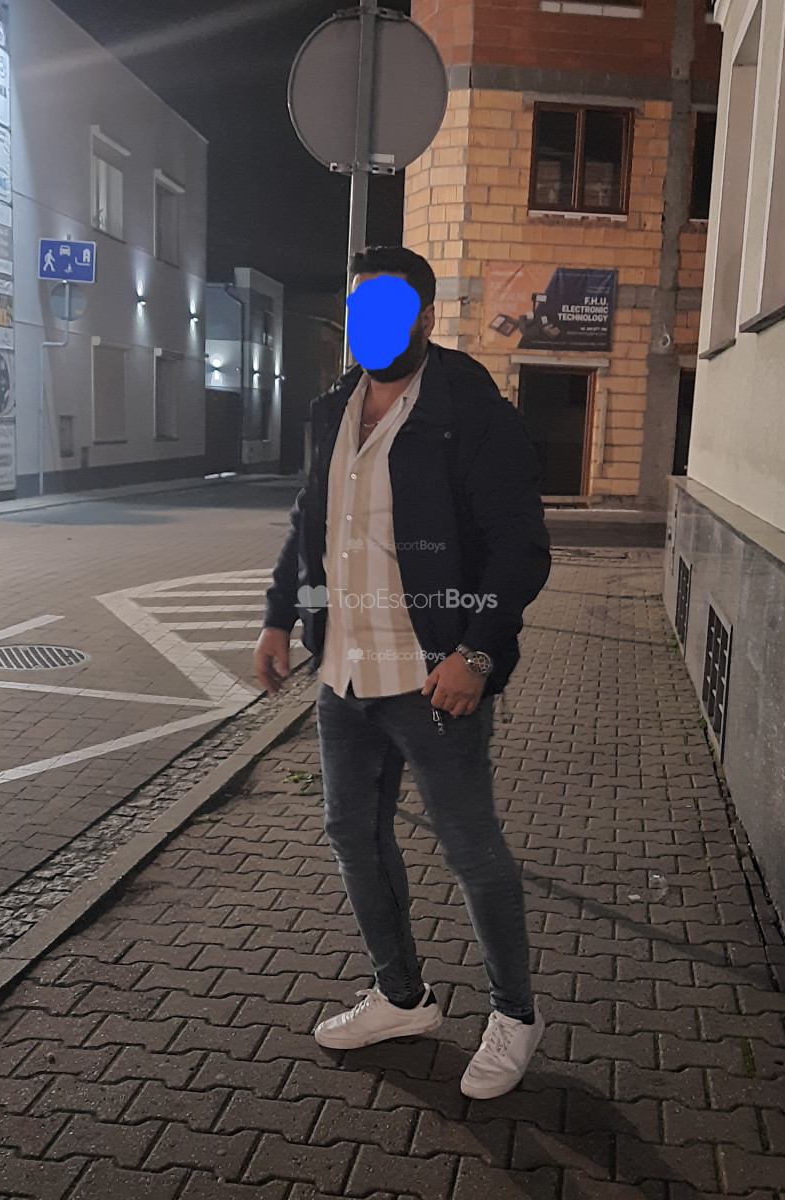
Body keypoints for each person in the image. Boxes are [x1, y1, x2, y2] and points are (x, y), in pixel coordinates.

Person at [255, 246, 551, 1100]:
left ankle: (516, 1015)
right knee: (353, 834)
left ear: (424, 316)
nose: (370, 327)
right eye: (359, 311)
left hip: (432, 678)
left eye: (388, 310)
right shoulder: (332, 409)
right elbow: (309, 522)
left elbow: (520, 546)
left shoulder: (470, 411)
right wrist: (280, 615)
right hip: (344, 674)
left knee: (470, 849)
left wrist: (477, 651)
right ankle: (401, 997)